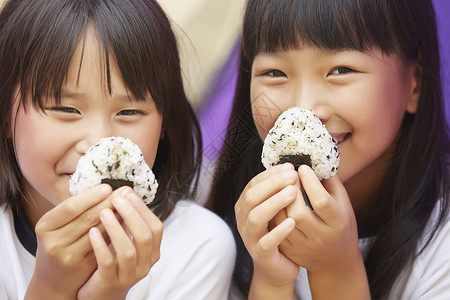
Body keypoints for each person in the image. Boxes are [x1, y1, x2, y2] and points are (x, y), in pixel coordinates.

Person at [208, 0, 450, 299]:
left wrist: (337, 271)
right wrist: (271, 279)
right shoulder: (220, 226)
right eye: (274, 73)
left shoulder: (442, 246)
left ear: (414, 82)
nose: (303, 108)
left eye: (341, 69)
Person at [0, 0, 235, 299]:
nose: (100, 144)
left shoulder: (197, 246)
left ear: (165, 122)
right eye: (66, 108)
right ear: (6, 113)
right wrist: (50, 288)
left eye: (129, 112)